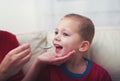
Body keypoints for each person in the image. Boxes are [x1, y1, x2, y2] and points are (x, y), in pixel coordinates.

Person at [22, 13, 112, 81]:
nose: (56, 37)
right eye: (56, 32)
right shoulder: (49, 67)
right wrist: (38, 62)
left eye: (65, 34)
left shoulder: (100, 75)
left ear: (83, 46)